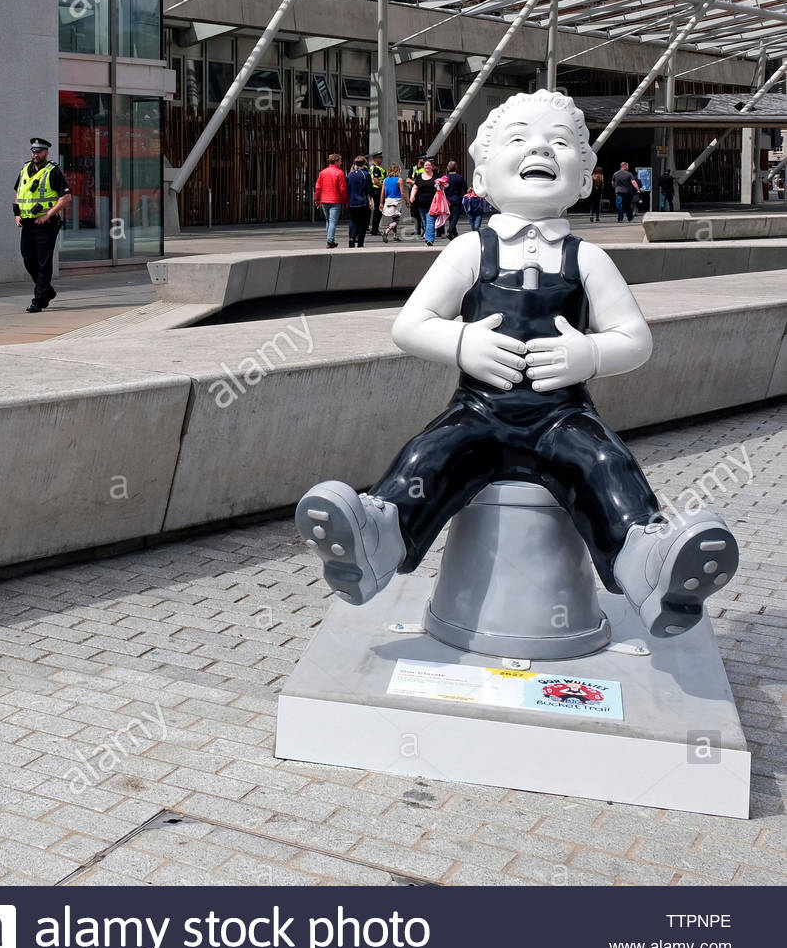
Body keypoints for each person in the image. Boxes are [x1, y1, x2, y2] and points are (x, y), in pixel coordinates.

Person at [295, 89, 738, 639]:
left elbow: (636, 338)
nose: (543, 150)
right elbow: (410, 325)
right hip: (479, 410)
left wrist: (590, 353)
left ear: (584, 180)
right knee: (431, 453)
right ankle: (378, 538)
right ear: (481, 177)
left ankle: (648, 563)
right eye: (521, 139)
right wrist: (461, 343)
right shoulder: (468, 252)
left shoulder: (588, 258)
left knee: (604, 464)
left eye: (560, 143)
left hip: (563, 418)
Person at [14, 137, 71, 313]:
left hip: (47, 224)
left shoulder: (53, 171)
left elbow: (66, 198)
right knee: (28, 258)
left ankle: (38, 300)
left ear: (46, 152)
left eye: (39, 151)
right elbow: (19, 193)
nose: (35, 154)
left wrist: (47, 215)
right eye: (33, 151)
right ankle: (47, 291)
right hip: (28, 223)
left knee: (43, 261)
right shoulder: (25, 169)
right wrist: (17, 214)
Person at [314, 153, 348, 248]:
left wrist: (317, 199)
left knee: (328, 221)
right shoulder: (339, 173)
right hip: (335, 200)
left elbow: (318, 187)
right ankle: (330, 241)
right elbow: (342, 189)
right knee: (332, 221)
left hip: (324, 200)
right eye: (340, 161)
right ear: (336, 161)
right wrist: (345, 200)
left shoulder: (323, 172)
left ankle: (330, 239)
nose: (341, 163)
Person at [409, 159, 438, 245]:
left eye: (429, 165)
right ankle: (428, 235)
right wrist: (412, 196)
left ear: (432, 166)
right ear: (424, 167)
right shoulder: (419, 177)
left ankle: (429, 239)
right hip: (421, 203)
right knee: (425, 221)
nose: (427, 167)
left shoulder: (436, 176)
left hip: (432, 203)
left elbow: (441, 187)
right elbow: (415, 187)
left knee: (430, 220)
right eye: (426, 165)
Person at [346, 155, 372, 248]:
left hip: (352, 202)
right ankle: (360, 242)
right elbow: (370, 189)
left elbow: (347, 188)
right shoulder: (366, 175)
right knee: (363, 223)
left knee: (353, 221)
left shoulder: (350, 175)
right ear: (364, 164)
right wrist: (370, 200)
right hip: (362, 202)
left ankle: (351, 238)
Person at [379, 164, 409, 242]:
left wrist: (381, 203)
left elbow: (382, 192)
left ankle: (395, 235)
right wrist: (407, 201)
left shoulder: (385, 180)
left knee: (394, 218)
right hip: (396, 200)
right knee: (396, 220)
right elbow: (402, 193)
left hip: (388, 200)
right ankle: (386, 231)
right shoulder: (399, 180)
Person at [444, 160, 468, 239]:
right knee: (455, 217)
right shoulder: (459, 177)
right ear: (456, 168)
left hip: (447, 200)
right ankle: (450, 231)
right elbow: (465, 189)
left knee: (451, 217)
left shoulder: (445, 178)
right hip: (457, 199)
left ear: (448, 168)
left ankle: (454, 232)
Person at [406, 157, 426, 235]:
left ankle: (424, 229)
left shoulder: (426, 168)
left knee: (423, 212)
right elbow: (408, 179)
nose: (424, 162)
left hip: (422, 192)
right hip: (414, 192)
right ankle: (417, 230)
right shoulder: (413, 169)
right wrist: (415, 183)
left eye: (425, 160)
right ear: (419, 160)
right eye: (422, 160)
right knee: (414, 212)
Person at [369, 153, 386, 236]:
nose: (382, 160)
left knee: (377, 209)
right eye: (380, 158)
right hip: (378, 190)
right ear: (376, 159)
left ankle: (374, 228)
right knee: (378, 209)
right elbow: (376, 181)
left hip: (375, 190)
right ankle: (375, 229)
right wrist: (384, 187)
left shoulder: (372, 167)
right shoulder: (376, 169)